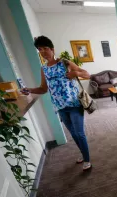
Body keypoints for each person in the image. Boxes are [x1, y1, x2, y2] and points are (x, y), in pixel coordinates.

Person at [22, 36, 92, 171]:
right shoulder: (44, 69)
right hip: (60, 107)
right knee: (73, 133)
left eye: (45, 48)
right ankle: (83, 154)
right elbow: (43, 89)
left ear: (52, 49)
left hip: (74, 104)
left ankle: (87, 159)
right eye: (40, 49)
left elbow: (87, 74)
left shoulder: (64, 62)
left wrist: (75, 73)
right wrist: (29, 89)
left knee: (79, 133)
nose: (43, 52)